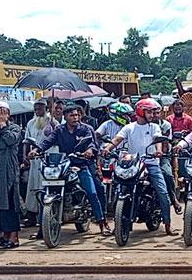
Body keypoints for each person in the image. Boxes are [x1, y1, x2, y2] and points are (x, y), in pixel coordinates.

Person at [28, 104, 112, 237]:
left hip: (82, 164)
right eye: (72, 115)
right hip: (63, 165)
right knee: (45, 193)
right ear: (65, 117)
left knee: (92, 192)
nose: (75, 118)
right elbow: (47, 142)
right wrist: (36, 150)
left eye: (77, 115)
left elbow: (92, 144)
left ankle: (102, 223)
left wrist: (89, 151)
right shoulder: (59, 130)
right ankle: (42, 229)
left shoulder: (86, 129)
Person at [102, 98, 178, 236]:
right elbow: (117, 139)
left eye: (153, 112)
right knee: (119, 188)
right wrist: (107, 148)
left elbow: (157, 140)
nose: (152, 115)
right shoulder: (129, 127)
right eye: (149, 112)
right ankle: (118, 224)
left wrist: (158, 151)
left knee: (162, 192)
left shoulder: (154, 127)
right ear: (140, 112)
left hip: (151, 163)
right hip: (134, 163)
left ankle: (168, 224)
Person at [0, 102, 24, 249]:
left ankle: (14, 237)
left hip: (8, 172)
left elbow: (10, 140)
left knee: (9, 204)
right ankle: (5, 235)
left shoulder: (14, 128)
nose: (0, 115)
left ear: (8, 114)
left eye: (3, 112)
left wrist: (3, 125)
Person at [23, 98, 56, 226]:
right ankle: (31, 216)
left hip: (48, 159)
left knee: (45, 188)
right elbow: (26, 140)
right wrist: (25, 157)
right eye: (35, 109)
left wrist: (54, 126)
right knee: (32, 188)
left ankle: (45, 218)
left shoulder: (52, 122)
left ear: (46, 108)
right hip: (34, 159)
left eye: (40, 108)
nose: (37, 111)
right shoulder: (31, 123)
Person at [154, 103, 182, 215]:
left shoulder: (165, 125)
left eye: (157, 112)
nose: (154, 115)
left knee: (167, 174)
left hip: (162, 156)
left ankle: (173, 199)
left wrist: (160, 153)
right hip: (145, 156)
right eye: (152, 112)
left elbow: (165, 144)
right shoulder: (139, 125)